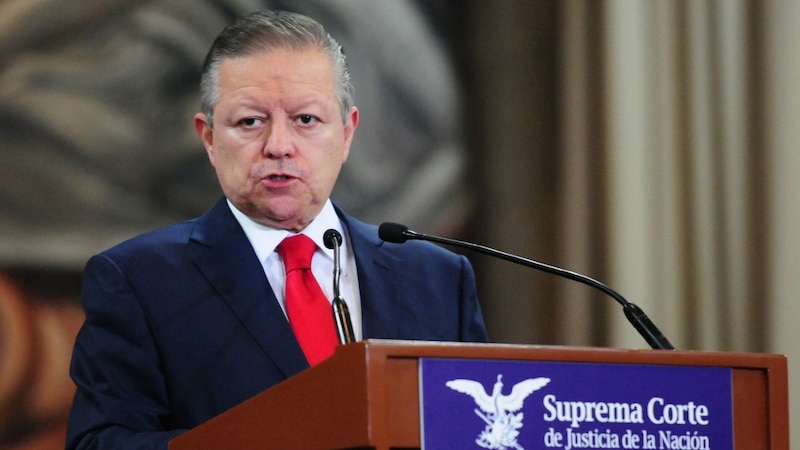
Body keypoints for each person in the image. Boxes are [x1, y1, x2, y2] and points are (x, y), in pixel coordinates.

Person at [65, 9, 488, 450]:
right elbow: (100, 443)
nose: (279, 146)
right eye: (250, 121)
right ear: (208, 138)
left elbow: (477, 430)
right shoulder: (139, 281)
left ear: (346, 133)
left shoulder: (437, 277)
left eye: (306, 119)